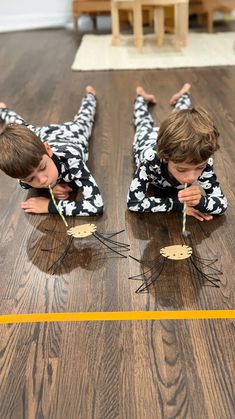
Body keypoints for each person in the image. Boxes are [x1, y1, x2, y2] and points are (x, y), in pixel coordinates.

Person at [127, 84, 227, 221]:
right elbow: (134, 203)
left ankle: (184, 93)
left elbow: (222, 204)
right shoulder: (150, 161)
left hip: (170, 141)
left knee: (183, 116)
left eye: (199, 168)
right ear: (165, 158)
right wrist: (178, 204)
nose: (191, 178)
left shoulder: (202, 158)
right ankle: (141, 96)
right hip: (145, 139)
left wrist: (201, 202)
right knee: (143, 121)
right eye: (181, 169)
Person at [0, 86, 103, 217]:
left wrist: (49, 205)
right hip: (42, 136)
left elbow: (96, 206)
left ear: (48, 150)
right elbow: (26, 180)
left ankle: (90, 95)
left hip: (72, 133)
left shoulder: (73, 161)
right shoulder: (23, 177)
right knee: (20, 126)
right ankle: (3, 110)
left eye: (43, 167)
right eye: (31, 179)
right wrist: (51, 187)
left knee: (85, 116)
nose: (42, 180)